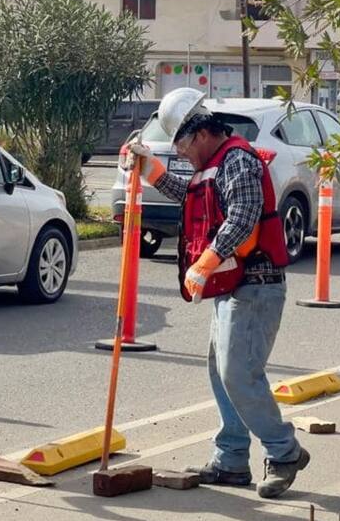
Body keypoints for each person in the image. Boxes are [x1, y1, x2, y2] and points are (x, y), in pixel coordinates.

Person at [124, 88, 310, 498]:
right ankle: (231, 460)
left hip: (256, 286)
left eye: (184, 147)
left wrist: (204, 262)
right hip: (233, 287)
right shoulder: (214, 164)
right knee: (220, 373)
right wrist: (149, 169)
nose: (184, 156)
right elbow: (190, 196)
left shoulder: (238, 160)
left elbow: (243, 218)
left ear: (200, 133)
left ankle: (284, 452)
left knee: (237, 374)